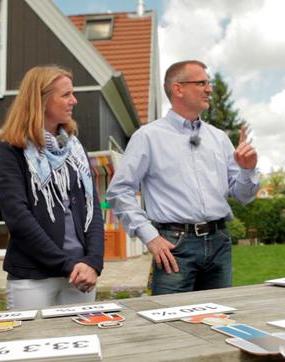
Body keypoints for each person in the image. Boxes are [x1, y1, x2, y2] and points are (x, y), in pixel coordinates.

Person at [106, 60, 259, 295]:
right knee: (171, 322)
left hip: (219, 242)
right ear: (178, 89)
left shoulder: (219, 138)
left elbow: (244, 196)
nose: (209, 88)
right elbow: (119, 191)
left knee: (218, 318)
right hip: (173, 245)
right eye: (202, 83)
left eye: (209, 83)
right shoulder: (148, 137)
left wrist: (248, 170)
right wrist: (150, 237)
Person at [0, 66, 104, 309]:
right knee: (32, 344)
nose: (73, 100)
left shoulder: (75, 149)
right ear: (41, 100)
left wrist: (93, 262)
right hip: (33, 278)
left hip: (81, 275)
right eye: (65, 95)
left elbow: (93, 208)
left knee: (82, 345)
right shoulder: (12, 149)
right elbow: (17, 217)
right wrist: (67, 265)